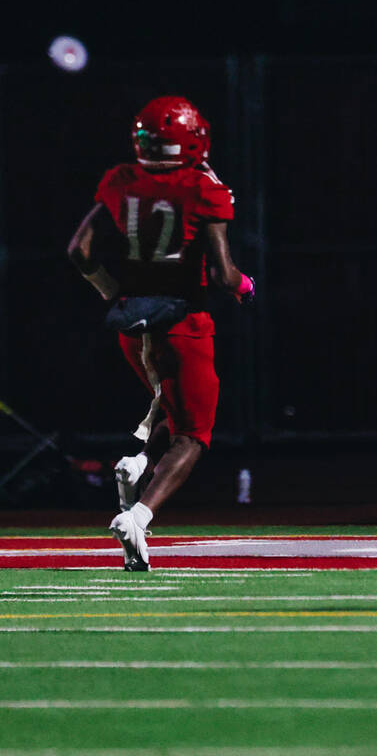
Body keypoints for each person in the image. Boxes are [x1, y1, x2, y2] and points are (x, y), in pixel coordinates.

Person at [66, 96, 256, 571]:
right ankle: (139, 517)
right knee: (194, 433)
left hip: (132, 322)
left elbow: (81, 251)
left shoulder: (120, 180)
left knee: (172, 403)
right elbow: (223, 275)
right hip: (183, 322)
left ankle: (137, 462)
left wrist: (113, 294)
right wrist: (247, 287)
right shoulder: (202, 187)